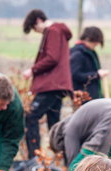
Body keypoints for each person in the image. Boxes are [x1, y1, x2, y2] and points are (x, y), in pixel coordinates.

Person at [22, 9, 73, 159]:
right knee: (54, 124)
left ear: (38, 20)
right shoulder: (57, 31)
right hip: (57, 85)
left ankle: (34, 158)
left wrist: (32, 70)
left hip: (52, 85)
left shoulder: (53, 31)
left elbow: (52, 58)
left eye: (34, 28)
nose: (36, 31)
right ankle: (63, 161)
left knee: (31, 116)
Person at [70, 26, 109, 102]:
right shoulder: (78, 54)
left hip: (91, 95)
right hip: (82, 97)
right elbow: (75, 75)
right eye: (95, 42)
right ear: (88, 39)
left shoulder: (89, 52)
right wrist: (97, 75)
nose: (97, 44)